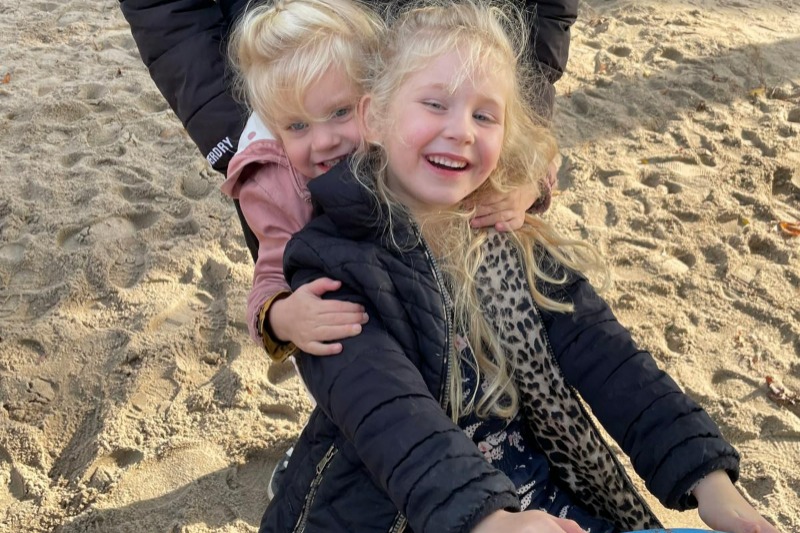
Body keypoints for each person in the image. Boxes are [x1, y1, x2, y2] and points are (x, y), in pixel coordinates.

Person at [260, 1, 782, 532]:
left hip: (538, 501)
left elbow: (611, 359)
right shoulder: (331, 262)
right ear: (375, 117)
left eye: (484, 115)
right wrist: (490, 519)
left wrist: (707, 476)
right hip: (398, 511)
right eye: (435, 104)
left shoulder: (507, 236)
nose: (461, 130)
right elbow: (389, 413)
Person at [118, 0, 577, 265]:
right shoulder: (294, 153)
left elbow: (549, 14)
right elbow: (165, 12)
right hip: (291, 109)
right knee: (351, 333)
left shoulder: (477, 127)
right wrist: (250, 137)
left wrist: (523, 131)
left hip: (479, 114)